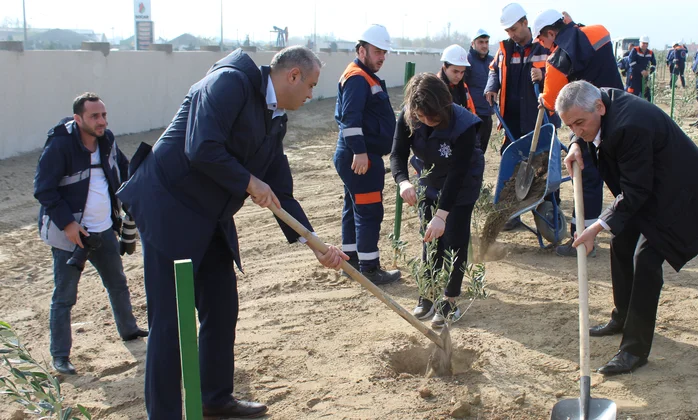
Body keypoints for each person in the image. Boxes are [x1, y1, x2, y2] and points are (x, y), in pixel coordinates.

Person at [116, 47, 348, 419]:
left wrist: (314, 243)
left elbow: (279, 191)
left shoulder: (275, 119)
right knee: (171, 323)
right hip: (169, 206)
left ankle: (215, 399)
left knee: (222, 306)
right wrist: (248, 180)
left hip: (210, 215)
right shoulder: (229, 83)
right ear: (292, 76)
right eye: (311, 85)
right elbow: (201, 147)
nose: (311, 95)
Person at [557, 81, 698, 375]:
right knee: (622, 241)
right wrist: (575, 143)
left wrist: (595, 228)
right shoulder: (598, 101)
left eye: (579, 124)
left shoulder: (630, 126)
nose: (577, 129)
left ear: (599, 108)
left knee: (646, 261)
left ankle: (633, 351)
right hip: (653, 188)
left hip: (686, 197)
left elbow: (635, 192)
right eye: (570, 125)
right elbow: (586, 129)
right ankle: (622, 317)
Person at [33, 93, 148, 376]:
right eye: (95, 116)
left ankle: (129, 330)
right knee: (65, 297)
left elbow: (124, 171)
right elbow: (43, 189)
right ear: (78, 119)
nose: (102, 122)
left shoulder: (107, 140)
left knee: (118, 283)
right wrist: (68, 225)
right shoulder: (60, 145)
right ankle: (60, 356)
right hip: (70, 236)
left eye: (104, 115)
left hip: (104, 229)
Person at [391, 73, 485, 328]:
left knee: (454, 240)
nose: (426, 122)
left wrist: (442, 215)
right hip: (429, 181)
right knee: (429, 238)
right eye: (421, 117)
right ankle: (428, 294)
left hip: (461, 184)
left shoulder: (464, 125)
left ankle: (449, 300)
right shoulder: (409, 115)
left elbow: (457, 173)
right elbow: (397, 154)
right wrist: (403, 182)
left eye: (431, 117)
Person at [530, 8, 624, 258]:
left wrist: (543, 96)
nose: (542, 45)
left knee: (585, 177)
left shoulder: (556, 62)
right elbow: (582, 39)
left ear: (551, 33)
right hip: (618, 110)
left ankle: (581, 239)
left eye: (542, 39)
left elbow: (551, 101)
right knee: (622, 174)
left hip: (588, 123)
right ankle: (635, 228)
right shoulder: (599, 33)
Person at [333, 24, 401, 285]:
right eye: (377, 51)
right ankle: (370, 269)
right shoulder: (358, 78)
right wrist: (360, 152)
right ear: (362, 50)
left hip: (358, 155)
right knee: (369, 211)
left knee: (354, 209)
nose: (382, 57)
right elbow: (350, 119)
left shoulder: (363, 75)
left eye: (384, 52)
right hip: (361, 157)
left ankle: (350, 263)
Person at [485, 2, 551, 231]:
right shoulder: (505, 49)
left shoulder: (545, 46)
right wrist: (491, 87)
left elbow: (562, 71)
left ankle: (548, 213)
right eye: (508, 31)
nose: (512, 34)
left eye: (514, 29)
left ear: (525, 23)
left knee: (543, 167)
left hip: (539, 118)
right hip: (511, 119)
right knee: (511, 165)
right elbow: (494, 69)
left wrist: (544, 74)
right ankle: (509, 215)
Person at [466, 29, 495, 153]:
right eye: (481, 42)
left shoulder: (492, 61)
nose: (484, 45)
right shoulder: (467, 61)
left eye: (486, 42)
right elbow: (462, 87)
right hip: (473, 115)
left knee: (481, 151)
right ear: (473, 43)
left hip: (487, 114)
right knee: (471, 150)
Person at [439, 44, 477, 114]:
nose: (459, 76)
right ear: (444, 68)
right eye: (455, 71)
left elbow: (471, 111)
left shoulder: (464, 87)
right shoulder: (434, 87)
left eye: (462, 72)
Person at [624, 36, 656, 101]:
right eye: (643, 43)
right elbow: (631, 62)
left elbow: (654, 64)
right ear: (640, 43)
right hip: (634, 76)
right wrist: (641, 70)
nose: (644, 45)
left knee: (646, 93)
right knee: (632, 93)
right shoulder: (635, 50)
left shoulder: (650, 53)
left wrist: (649, 71)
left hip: (644, 77)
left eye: (646, 43)